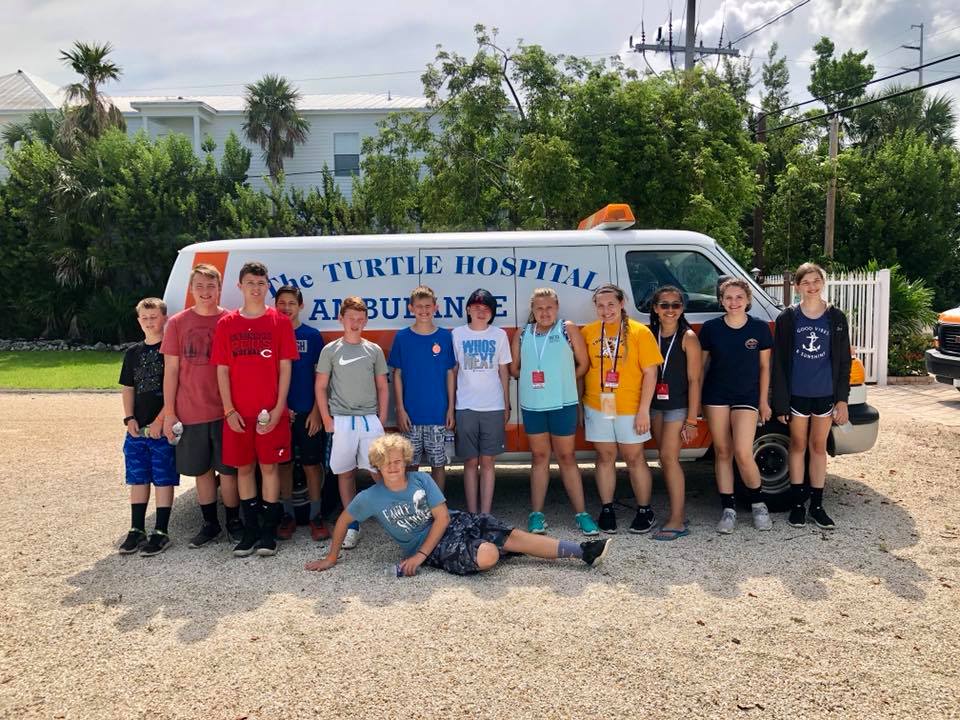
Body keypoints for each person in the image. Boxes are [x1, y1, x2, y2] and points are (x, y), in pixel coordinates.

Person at [304, 434, 611, 576]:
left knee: (509, 532)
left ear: (406, 461)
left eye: (399, 462)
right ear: (377, 467)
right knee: (489, 554)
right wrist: (332, 556)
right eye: (387, 464)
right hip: (431, 546)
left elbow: (441, 518)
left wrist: (420, 556)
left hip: (453, 523)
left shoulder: (421, 480)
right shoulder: (369, 497)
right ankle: (501, 549)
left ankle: (582, 552)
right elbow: (344, 520)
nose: (394, 468)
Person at [212, 261, 299, 557]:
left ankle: (268, 533)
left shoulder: (280, 322)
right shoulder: (226, 324)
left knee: (270, 468)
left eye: (261, 283)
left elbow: (285, 369)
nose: (256, 288)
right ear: (240, 286)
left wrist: (278, 409)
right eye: (250, 283)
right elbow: (222, 371)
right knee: (244, 469)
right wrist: (228, 410)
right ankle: (249, 531)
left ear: (267, 286)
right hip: (237, 414)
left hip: (270, 414)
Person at [161, 263, 242, 548]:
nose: (206, 292)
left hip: (227, 410)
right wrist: (170, 412)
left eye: (211, 286)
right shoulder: (177, 323)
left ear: (220, 289)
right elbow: (170, 371)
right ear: (191, 289)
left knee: (230, 471)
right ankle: (210, 524)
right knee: (202, 471)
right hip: (191, 409)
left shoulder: (232, 320)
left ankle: (234, 522)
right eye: (200, 286)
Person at [510, 288, 599, 536]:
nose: (544, 312)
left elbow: (583, 364)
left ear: (557, 308)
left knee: (567, 457)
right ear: (533, 310)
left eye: (549, 307)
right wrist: (533, 380)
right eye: (539, 308)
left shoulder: (566, 328)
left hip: (563, 404)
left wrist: (563, 382)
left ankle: (582, 514)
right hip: (533, 406)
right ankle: (536, 514)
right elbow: (515, 369)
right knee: (539, 458)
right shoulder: (523, 333)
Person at [771, 263, 851, 530]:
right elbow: (779, 362)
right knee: (797, 446)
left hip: (825, 394)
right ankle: (797, 505)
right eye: (806, 282)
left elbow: (843, 362)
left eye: (816, 281)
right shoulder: (788, 318)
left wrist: (842, 399)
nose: (812, 286)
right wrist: (781, 402)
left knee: (818, 447)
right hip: (797, 395)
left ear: (823, 283)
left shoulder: (836, 317)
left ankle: (816, 505)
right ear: (797, 286)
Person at [581, 284, 663, 534]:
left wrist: (643, 411)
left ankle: (644, 510)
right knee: (604, 457)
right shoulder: (588, 331)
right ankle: (607, 508)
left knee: (634, 458)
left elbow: (651, 373)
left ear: (621, 304)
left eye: (611, 305)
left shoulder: (639, 332)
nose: (606, 310)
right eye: (600, 305)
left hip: (630, 407)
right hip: (598, 404)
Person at [699, 277, 774, 534]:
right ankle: (728, 509)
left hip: (747, 396)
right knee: (722, 451)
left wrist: (764, 401)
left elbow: (765, 368)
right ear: (721, 300)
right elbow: (700, 368)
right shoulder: (710, 329)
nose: (734, 302)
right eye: (728, 298)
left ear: (748, 300)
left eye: (739, 297)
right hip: (716, 395)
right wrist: (697, 400)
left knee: (743, 452)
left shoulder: (760, 329)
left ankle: (758, 504)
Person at [315, 296, 389, 550]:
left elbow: (382, 386)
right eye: (351, 318)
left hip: (369, 420)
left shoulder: (374, 350)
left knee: (379, 471)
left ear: (366, 320)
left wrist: (380, 417)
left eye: (360, 319)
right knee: (345, 474)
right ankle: (352, 524)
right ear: (341, 319)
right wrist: (326, 419)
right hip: (342, 421)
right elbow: (321, 386)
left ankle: (392, 517)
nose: (356, 323)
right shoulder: (331, 350)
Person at [118, 298, 178, 556]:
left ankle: (161, 530)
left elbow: (177, 389)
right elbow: (128, 388)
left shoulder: (170, 351)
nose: (150, 321)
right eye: (145, 317)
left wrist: (161, 420)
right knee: (138, 477)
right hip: (137, 428)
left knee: (163, 477)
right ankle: (136, 528)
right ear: (139, 321)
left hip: (162, 428)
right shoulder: (133, 353)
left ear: (164, 318)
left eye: (154, 316)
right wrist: (129, 418)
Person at [274, 285, 328, 542]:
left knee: (311, 465)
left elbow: (321, 378)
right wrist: (280, 410)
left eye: (291, 303)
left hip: (308, 413)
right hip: (280, 413)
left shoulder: (313, 336)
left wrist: (318, 412)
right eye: (281, 303)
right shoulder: (269, 334)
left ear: (301, 306)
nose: (286, 308)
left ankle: (316, 516)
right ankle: (288, 516)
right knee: (283, 465)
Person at [388, 286, 456, 490]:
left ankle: (438, 509)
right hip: (411, 416)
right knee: (410, 465)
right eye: (419, 306)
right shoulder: (402, 337)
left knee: (438, 464)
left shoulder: (445, 337)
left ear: (435, 307)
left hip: (438, 414)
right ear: (411, 308)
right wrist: (400, 409)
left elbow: (450, 373)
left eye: (428, 306)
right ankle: (411, 508)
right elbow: (397, 374)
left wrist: (451, 409)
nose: (424, 310)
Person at [647, 286, 702, 540]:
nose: (670, 310)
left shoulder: (688, 337)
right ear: (656, 309)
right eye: (664, 305)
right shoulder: (648, 334)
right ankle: (675, 512)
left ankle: (678, 519)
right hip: (655, 406)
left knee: (670, 458)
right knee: (663, 457)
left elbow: (695, 381)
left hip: (677, 407)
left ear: (682, 308)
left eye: (676, 305)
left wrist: (692, 420)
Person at [452, 289, 512, 514]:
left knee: (488, 462)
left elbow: (503, 371)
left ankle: (485, 514)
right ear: (468, 309)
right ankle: (472, 512)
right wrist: (451, 407)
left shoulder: (499, 335)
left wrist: (506, 404)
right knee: (470, 462)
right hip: (465, 406)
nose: (481, 311)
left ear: (492, 313)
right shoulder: (457, 334)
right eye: (476, 307)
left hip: (493, 407)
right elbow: (454, 371)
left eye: (486, 308)